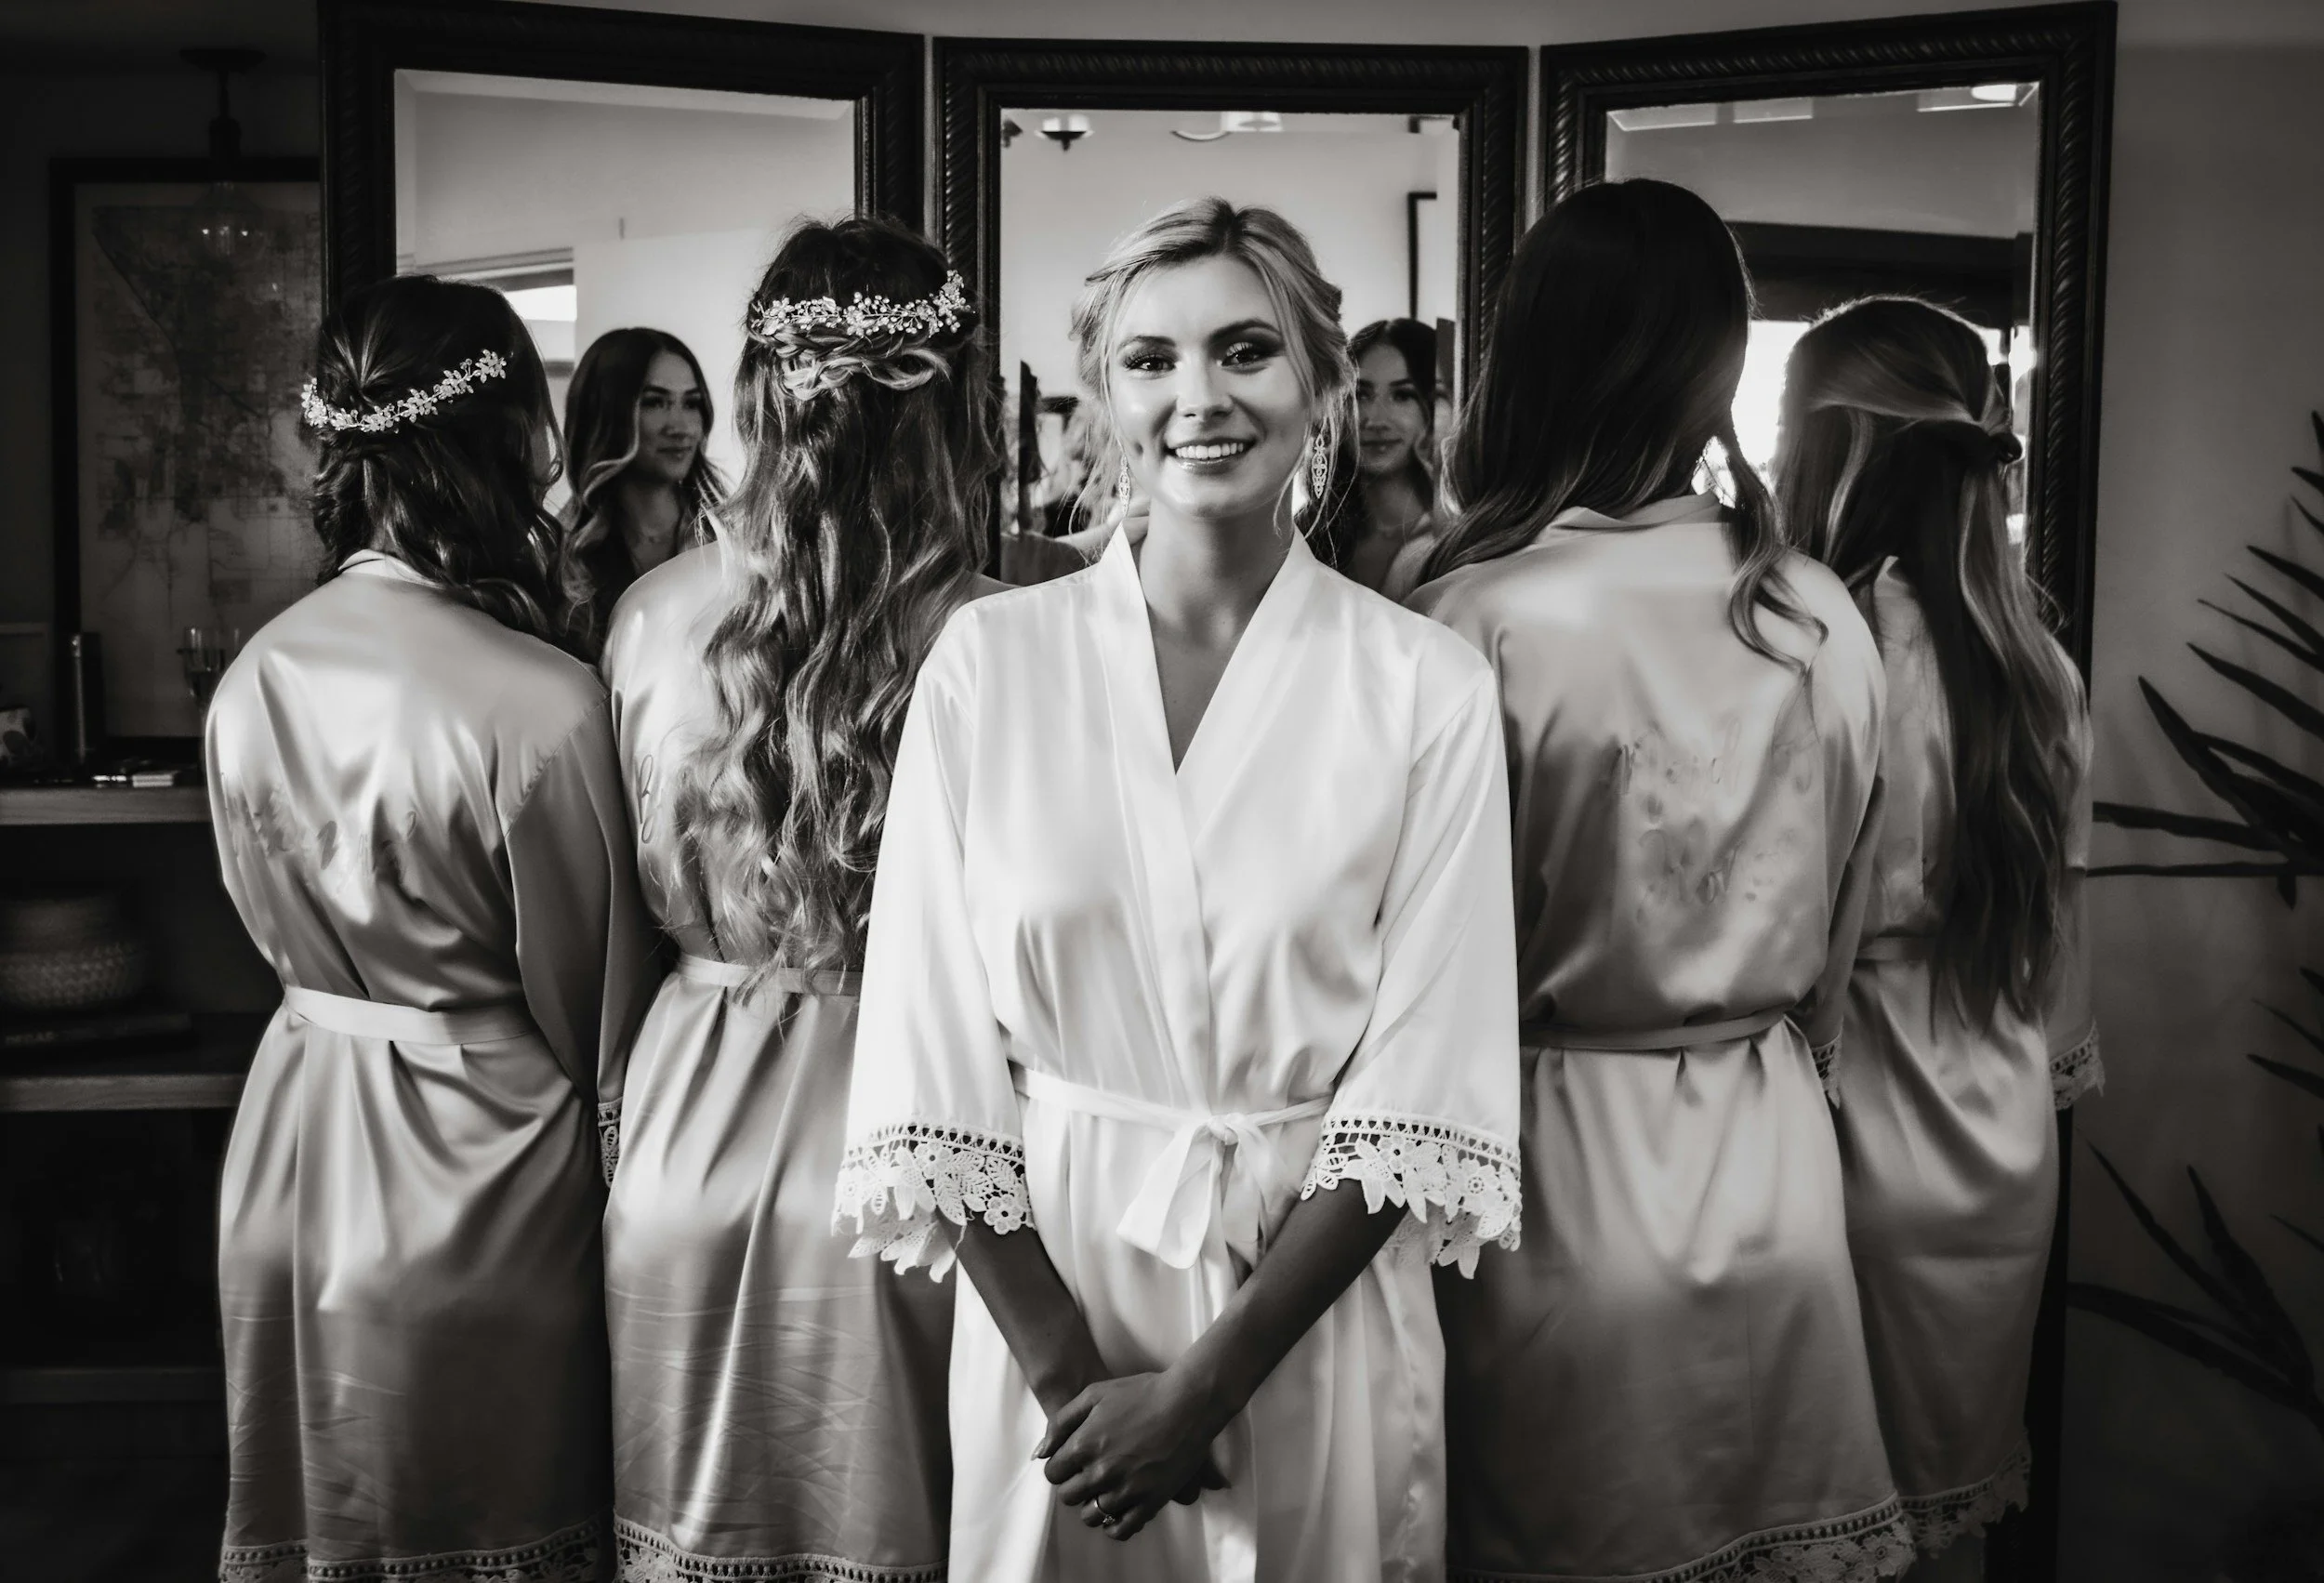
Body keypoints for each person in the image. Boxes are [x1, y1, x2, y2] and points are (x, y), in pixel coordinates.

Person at [836, 197, 1523, 1583]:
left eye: (1246, 350)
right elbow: (929, 1047)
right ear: (1101, 397)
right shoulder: (990, 666)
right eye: (1150, 360)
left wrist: (1206, 1388)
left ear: (1320, 382)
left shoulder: (1423, 687)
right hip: (1057, 1301)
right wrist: (1080, 1387)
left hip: (1310, 1312)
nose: (1198, 397)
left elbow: (1423, 1080)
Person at [1409, 178, 1915, 1583]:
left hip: (1545, 1175)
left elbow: (1416, 970)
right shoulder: (1816, 612)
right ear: (1718, 361)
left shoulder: (1468, 618)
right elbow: (1841, 939)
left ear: (1535, 352)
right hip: (1773, 1162)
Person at [206, 274, 656, 1583]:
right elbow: (598, 1013)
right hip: (485, 1168)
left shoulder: (257, 673)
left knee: (338, 1521)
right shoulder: (543, 701)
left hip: (294, 1140)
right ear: (512, 437)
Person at [598, 217, 1006, 1582]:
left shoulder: (648, 618)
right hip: (924, 1139)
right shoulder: (1002, 635)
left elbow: (614, 906)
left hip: (687, 1121)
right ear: (952, 405)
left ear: (764, 395)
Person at [1774, 297, 2098, 1583]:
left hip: (1845, 1117)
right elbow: (2061, 971)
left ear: (1828, 445)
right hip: (1997, 1130)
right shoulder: (2037, 666)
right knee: (1927, 1535)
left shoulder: (1814, 645)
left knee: (1812, 1521)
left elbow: (1771, 918)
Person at [562, 326, 725, 653]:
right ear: (605, 413)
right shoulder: (561, 552)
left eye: (691, 403)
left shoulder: (729, 537)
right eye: (654, 402)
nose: (680, 428)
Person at [1343, 318, 1442, 600]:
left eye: (1402, 395)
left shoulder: (1454, 541)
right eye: (1361, 395)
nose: (1375, 420)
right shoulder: (1309, 535)